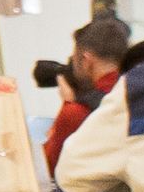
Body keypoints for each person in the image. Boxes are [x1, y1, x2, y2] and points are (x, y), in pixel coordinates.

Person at [43, 13, 131, 175]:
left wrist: (67, 109)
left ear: (87, 57)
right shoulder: (138, 91)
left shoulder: (77, 111)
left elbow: (52, 167)